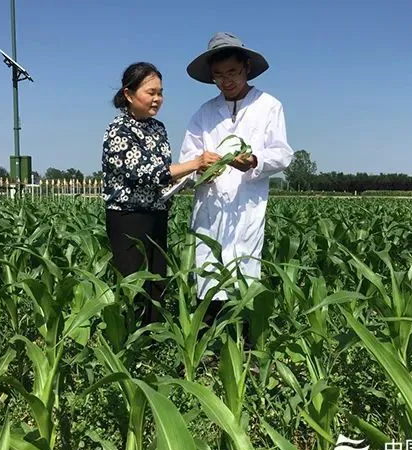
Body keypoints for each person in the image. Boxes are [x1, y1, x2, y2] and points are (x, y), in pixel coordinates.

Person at [178, 33, 294, 327]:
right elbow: (188, 160)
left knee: (244, 270)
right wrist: (201, 167)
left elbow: (282, 154)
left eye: (232, 72)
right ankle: (206, 347)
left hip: (247, 206)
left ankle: (247, 346)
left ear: (246, 67)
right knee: (208, 271)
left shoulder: (268, 106)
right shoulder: (204, 113)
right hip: (210, 205)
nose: (225, 80)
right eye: (218, 75)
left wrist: (254, 160)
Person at [102, 62, 216, 326]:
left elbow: (166, 172)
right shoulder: (118, 130)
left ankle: (152, 336)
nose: (157, 99)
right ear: (129, 95)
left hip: (157, 211)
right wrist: (195, 163)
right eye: (150, 92)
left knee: (156, 278)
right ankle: (129, 337)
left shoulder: (158, 128)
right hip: (128, 216)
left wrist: (195, 175)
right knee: (133, 279)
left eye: (160, 93)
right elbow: (144, 172)